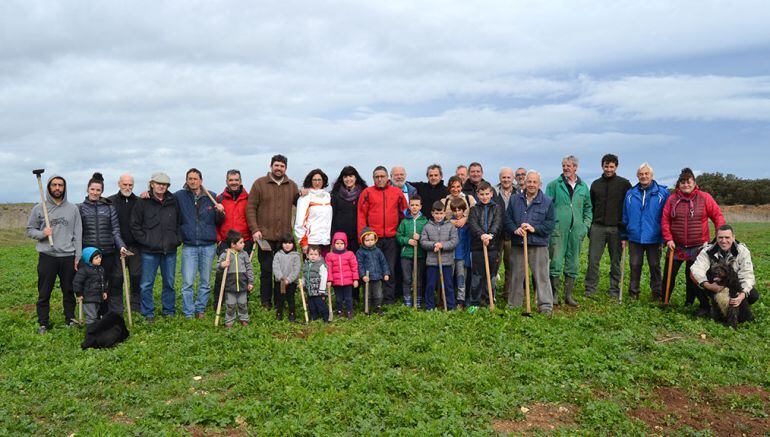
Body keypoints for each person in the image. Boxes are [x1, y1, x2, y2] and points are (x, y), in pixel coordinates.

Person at [661, 167, 725, 316]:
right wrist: (668, 238)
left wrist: (720, 236)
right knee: (669, 275)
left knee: (693, 276)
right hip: (676, 246)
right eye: (682, 182)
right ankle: (664, 300)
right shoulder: (672, 199)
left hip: (698, 246)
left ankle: (689, 303)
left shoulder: (705, 198)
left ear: (694, 183)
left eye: (688, 182)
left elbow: (717, 216)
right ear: (679, 184)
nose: (686, 185)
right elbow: (665, 220)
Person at [27, 173, 82, 333]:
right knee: (44, 291)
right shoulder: (39, 208)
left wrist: (78, 256)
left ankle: (70, 318)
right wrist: (43, 233)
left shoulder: (73, 209)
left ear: (64, 188)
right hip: (47, 256)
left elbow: (78, 233)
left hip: (67, 256)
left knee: (69, 290)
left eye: (60, 185)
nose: (57, 188)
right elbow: (30, 230)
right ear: (49, 187)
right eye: (54, 185)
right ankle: (43, 322)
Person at [246, 154, 300, 309]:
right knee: (267, 270)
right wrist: (255, 229)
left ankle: (281, 301)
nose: (279, 168)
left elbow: (301, 205)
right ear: (271, 166)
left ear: (286, 168)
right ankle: (265, 301)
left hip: (284, 239)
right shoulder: (259, 184)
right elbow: (250, 208)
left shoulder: (292, 186)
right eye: (276, 165)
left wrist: (305, 194)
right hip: (264, 236)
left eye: (282, 166)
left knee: (285, 271)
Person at [130, 172, 181, 321]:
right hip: (149, 251)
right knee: (146, 284)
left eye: (164, 184)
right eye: (158, 183)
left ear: (168, 186)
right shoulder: (143, 201)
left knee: (169, 283)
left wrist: (176, 239)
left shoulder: (173, 201)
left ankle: (169, 311)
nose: (161, 186)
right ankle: (148, 313)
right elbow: (135, 225)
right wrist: (146, 241)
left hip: (169, 250)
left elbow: (179, 223)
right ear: (151, 184)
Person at [505, 170, 555, 316]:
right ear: (525, 183)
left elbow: (550, 224)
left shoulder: (547, 201)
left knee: (541, 276)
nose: (531, 184)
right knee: (516, 275)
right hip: (518, 244)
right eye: (529, 181)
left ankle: (545, 306)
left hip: (538, 244)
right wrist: (515, 229)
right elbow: (507, 219)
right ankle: (514, 304)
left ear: (540, 184)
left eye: (535, 182)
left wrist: (535, 228)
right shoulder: (515, 200)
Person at [77, 172, 127, 315]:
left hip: (107, 253)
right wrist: (78, 254)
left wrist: (121, 246)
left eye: (98, 190)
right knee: (91, 285)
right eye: (92, 189)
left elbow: (115, 230)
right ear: (88, 189)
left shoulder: (109, 208)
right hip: (89, 254)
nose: (95, 192)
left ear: (102, 191)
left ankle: (105, 314)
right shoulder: (80, 208)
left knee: (106, 284)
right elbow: (78, 233)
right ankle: (92, 315)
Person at [177, 168, 223, 319]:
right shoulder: (180, 196)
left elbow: (220, 221)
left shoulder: (213, 197)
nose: (192, 181)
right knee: (188, 282)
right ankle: (189, 312)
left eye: (195, 179)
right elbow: (162, 198)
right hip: (189, 245)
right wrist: (146, 193)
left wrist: (220, 211)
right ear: (186, 180)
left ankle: (200, 308)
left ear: (201, 180)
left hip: (208, 245)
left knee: (205, 281)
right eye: (190, 178)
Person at [357, 166, 407, 304]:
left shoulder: (397, 192)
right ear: (373, 178)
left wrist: (402, 233)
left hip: (391, 238)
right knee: (372, 269)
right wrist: (362, 237)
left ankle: (389, 299)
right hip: (372, 239)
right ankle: (371, 300)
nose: (380, 179)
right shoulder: (367, 192)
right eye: (377, 177)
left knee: (389, 268)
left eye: (382, 176)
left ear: (387, 177)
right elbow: (361, 215)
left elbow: (403, 213)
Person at [546, 155, 592, 307]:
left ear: (575, 168)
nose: (565, 168)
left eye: (568, 165)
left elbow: (588, 208)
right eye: (563, 165)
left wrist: (584, 226)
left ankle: (569, 295)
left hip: (576, 231)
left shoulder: (583, 187)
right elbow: (546, 208)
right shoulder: (554, 185)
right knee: (556, 261)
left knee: (573, 262)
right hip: (559, 230)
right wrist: (552, 225)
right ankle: (554, 294)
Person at [690, 224, 760, 324]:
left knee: (753, 295)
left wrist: (742, 294)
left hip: (733, 284)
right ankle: (705, 307)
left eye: (727, 237)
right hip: (714, 282)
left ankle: (737, 309)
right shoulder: (707, 250)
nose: (723, 241)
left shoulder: (742, 251)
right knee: (693, 277)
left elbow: (747, 275)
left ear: (733, 237)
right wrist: (708, 285)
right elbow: (696, 269)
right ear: (716, 237)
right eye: (720, 237)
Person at [584, 154, 632, 298]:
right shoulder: (595, 184)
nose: (609, 169)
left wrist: (625, 230)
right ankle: (590, 288)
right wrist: (591, 226)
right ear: (602, 166)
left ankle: (614, 289)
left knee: (615, 262)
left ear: (616, 167)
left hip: (616, 229)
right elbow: (590, 206)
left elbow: (628, 208)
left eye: (611, 166)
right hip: (597, 227)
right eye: (606, 166)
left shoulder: (624, 184)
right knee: (593, 260)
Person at [622, 163, 669, 300]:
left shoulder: (663, 193)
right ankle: (633, 292)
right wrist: (624, 235)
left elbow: (666, 217)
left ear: (651, 175)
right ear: (637, 176)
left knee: (655, 266)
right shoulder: (630, 193)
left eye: (646, 174)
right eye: (641, 174)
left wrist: (663, 238)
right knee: (635, 265)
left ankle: (657, 293)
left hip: (654, 237)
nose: (644, 176)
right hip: (635, 236)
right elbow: (625, 215)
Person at [108, 173, 142, 314]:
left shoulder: (139, 201)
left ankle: (135, 307)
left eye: (130, 185)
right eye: (125, 184)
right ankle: (116, 308)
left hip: (135, 247)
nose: (127, 187)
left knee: (136, 276)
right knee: (116, 278)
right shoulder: (110, 201)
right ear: (119, 184)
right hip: (117, 247)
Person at [468, 181, 504, 309]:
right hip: (478, 246)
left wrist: (490, 235)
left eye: (487, 194)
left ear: (491, 193)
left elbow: (497, 223)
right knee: (477, 275)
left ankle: (490, 301)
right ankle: (475, 303)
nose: (484, 197)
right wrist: (481, 235)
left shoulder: (497, 208)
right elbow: (473, 224)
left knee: (492, 275)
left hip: (493, 246)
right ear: (477, 194)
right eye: (482, 194)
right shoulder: (474, 209)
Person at [421, 201, 459, 310]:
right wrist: (433, 244)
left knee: (448, 285)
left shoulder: (450, 226)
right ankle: (430, 306)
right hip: (432, 261)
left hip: (446, 261)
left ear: (444, 214)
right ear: (432, 213)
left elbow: (454, 241)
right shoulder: (427, 226)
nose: (439, 216)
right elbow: (423, 242)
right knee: (430, 285)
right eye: (436, 213)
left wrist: (443, 245)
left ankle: (451, 306)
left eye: (441, 213)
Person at [396, 195, 428, 307]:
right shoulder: (405, 221)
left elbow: (428, 236)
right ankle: (407, 299)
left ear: (421, 207)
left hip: (420, 254)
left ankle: (418, 299)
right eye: (412, 205)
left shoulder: (425, 221)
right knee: (407, 278)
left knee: (418, 278)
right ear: (409, 206)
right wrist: (407, 240)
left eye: (417, 205)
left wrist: (420, 238)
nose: (414, 207)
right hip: (406, 254)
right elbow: (398, 236)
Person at [217, 230, 254, 328]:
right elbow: (217, 267)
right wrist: (222, 265)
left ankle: (244, 318)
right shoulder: (225, 254)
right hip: (230, 284)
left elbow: (249, 268)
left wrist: (250, 281)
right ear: (233, 244)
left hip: (242, 283)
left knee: (243, 303)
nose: (244, 244)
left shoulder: (244, 254)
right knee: (230, 304)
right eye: (241, 242)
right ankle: (229, 320)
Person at [215, 169, 252, 255]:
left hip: (244, 242)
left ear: (240, 181)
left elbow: (253, 219)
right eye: (231, 180)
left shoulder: (249, 199)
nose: (234, 182)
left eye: (236, 180)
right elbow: (215, 222)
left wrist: (251, 241)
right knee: (226, 268)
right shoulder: (219, 199)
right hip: (225, 243)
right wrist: (219, 240)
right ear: (227, 182)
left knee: (243, 268)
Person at [295, 169, 332, 251]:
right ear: (310, 181)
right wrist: (303, 241)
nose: (317, 182)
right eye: (314, 180)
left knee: (324, 264)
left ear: (323, 181)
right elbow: (299, 221)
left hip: (325, 241)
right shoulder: (305, 197)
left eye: (319, 180)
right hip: (311, 242)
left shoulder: (328, 196)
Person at [325, 232, 360, 318]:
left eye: (342, 243)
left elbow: (354, 267)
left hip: (348, 281)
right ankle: (339, 311)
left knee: (348, 298)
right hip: (336, 282)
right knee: (338, 298)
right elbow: (328, 269)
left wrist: (355, 279)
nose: (339, 245)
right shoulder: (330, 256)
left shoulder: (350, 254)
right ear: (333, 244)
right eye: (337, 243)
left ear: (345, 244)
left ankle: (349, 311)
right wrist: (329, 280)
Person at [356, 228, 390, 315]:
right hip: (367, 278)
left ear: (375, 240)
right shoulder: (360, 252)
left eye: (372, 240)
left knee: (378, 293)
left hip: (377, 276)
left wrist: (386, 273)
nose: (370, 242)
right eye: (367, 240)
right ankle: (367, 307)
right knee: (367, 294)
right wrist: (363, 275)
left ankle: (377, 307)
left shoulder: (378, 251)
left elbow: (383, 262)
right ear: (363, 241)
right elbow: (360, 265)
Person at [73, 247, 108, 326]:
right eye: (96, 258)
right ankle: (90, 332)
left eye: (100, 257)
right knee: (91, 316)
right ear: (89, 259)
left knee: (95, 314)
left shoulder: (101, 269)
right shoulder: (83, 270)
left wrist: (104, 291)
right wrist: (79, 294)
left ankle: (94, 330)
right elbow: (77, 283)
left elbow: (103, 281)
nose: (99, 259)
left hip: (98, 297)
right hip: (88, 298)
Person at [496, 167, 515, 302]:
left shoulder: (519, 193)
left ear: (512, 179)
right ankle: (491, 293)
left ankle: (508, 293)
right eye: (504, 177)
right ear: (500, 179)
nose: (506, 180)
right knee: (494, 265)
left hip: (512, 236)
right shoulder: (493, 192)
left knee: (510, 266)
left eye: (508, 177)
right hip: (497, 236)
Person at [272, 235, 301, 322]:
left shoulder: (296, 256)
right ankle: (279, 313)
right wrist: (281, 278)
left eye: (290, 243)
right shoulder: (278, 255)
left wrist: (289, 279)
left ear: (293, 244)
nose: (287, 245)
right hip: (280, 282)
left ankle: (292, 313)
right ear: (281, 244)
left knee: (290, 298)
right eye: (285, 243)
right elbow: (276, 267)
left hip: (291, 282)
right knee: (280, 298)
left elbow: (296, 270)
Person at [448, 197, 471, 309]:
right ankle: (449, 300)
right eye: (455, 210)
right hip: (450, 256)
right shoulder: (449, 224)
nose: (457, 213)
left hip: (462, 256)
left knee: (461, 279)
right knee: (449, 278)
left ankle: (460, 300)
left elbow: (468, 242)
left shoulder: (467, 225)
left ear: (463, 210)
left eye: (459, 210)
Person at [301, 245, 330, 323]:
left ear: (319, 256)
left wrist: (322, 289)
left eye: (315, 254)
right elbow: (305, 275)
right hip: (310, 290)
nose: (313, 256)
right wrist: (302, 283)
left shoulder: (321, 265)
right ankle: (314, 317)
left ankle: (326, 317)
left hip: (318, 291)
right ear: (307, 255)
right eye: (311, 254)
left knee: (320, 304)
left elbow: (324, 277)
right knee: (311, 305)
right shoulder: (306, 265)